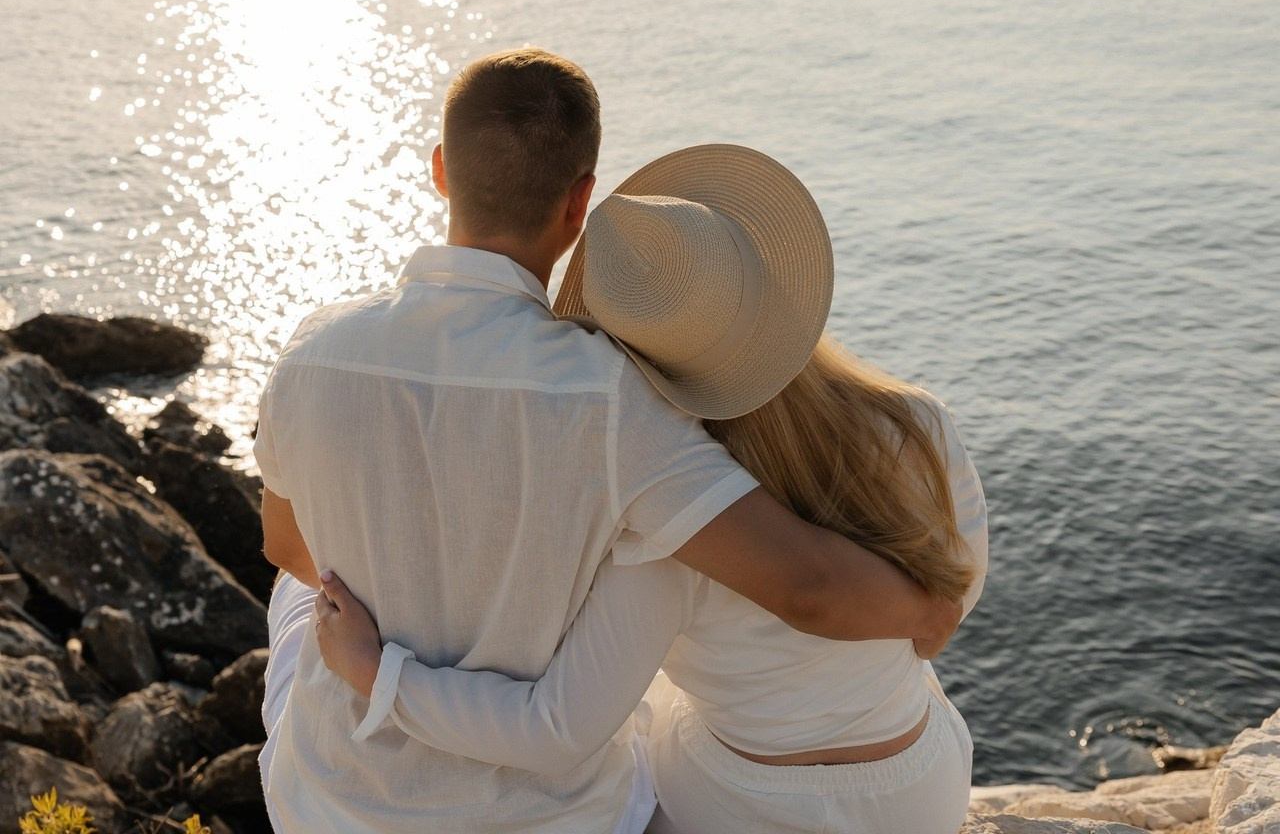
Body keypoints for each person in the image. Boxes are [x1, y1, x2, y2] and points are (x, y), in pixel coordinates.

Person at [255, 50, 959, 834]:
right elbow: (808, 587)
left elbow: (287, 545)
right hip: (548, 818)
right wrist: (927, 609)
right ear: (580, 200)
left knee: (301, 590)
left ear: (441, 171)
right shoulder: (614, 397)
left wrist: (402, 597)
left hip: (328, 805)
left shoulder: (312, 352)